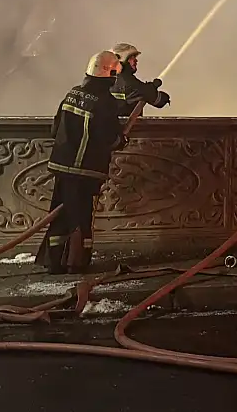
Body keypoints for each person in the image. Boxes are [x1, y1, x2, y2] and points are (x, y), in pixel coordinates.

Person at [35, 50, 129, 274]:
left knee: (60, 214)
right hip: (84, 170)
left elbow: (55, 129)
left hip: (61, 165)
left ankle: (54, 261)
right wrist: (121, 140)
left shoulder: (72, 93)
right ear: (109, 74)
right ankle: (76, 262)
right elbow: (108, 138)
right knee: (81, 216)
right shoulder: (105, 102)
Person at [109, 42, 171, 117]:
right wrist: (153, 87)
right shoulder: (130, 82)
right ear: (123, 59)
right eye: (132, 58)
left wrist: (151, 87)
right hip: (128, 128)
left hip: (108, 126)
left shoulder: (106, 80)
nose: (136, 61)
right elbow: (159, 101)